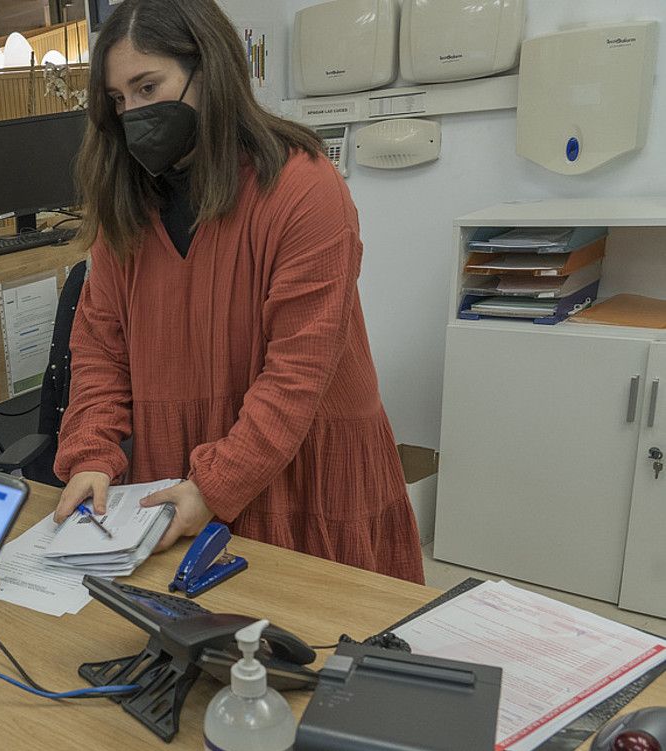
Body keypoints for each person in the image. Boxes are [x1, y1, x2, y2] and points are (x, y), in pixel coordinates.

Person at [52, 0, 423, 584]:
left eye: (149, 87)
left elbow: (296, 374)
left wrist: (214, 485)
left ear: (211, 71)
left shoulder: (303, 188)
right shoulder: (127, 203)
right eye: (119, 101)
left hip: (300, 474)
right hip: (179, 483)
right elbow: (100, 350)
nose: (134, 114)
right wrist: (91, 455)